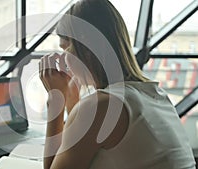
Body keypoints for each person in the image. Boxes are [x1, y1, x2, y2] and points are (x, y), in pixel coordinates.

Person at [38, 0, 196, 168]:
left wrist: (56, 101)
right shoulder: (156, 95)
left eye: (65, 49)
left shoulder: (100, 106)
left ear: (84, 46)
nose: (64, 60)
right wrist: (71, 99)